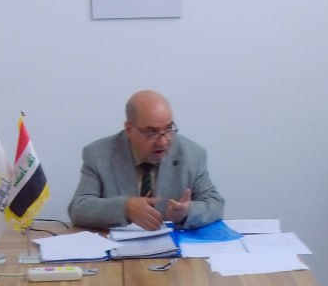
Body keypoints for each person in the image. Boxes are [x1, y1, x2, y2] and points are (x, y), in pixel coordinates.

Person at [68, 89, 224, 231]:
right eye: (152, 132)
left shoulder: (192, 155)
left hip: (172, 249)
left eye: (168, 129)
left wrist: (187, 212)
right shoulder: (98, 155)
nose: (163, 142)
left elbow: (215, 203)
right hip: (118, 249)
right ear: (129, 129)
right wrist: (125, 208)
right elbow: (78, 209)